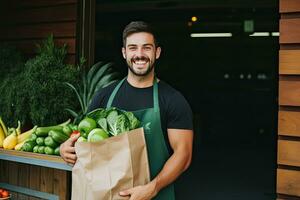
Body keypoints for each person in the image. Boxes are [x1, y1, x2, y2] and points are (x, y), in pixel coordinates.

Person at [60, 21, 193, 200]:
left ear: (157, 52)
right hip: (107, 195)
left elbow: (184, 155)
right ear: (124, 53)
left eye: (146, 48)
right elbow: (80, 138)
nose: (139, 54)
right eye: (133, 48)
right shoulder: (104, 96)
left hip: (156, 195)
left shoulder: (173, 100)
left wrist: (152, 188)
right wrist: (65, 148)